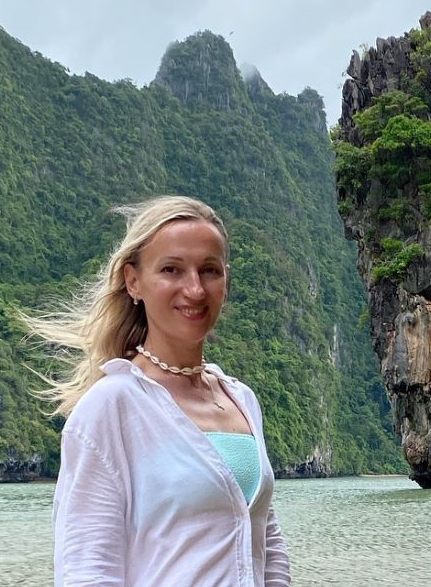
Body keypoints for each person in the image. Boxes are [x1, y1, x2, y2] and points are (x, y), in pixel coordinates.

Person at [29, 195, 290, 586]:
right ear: (134, 281)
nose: (195, 289)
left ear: (226, 279)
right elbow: (87, 569)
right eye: (172, 269)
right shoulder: (112, 406)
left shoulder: (242, 400)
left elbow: (266, 543)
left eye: (209, 270)